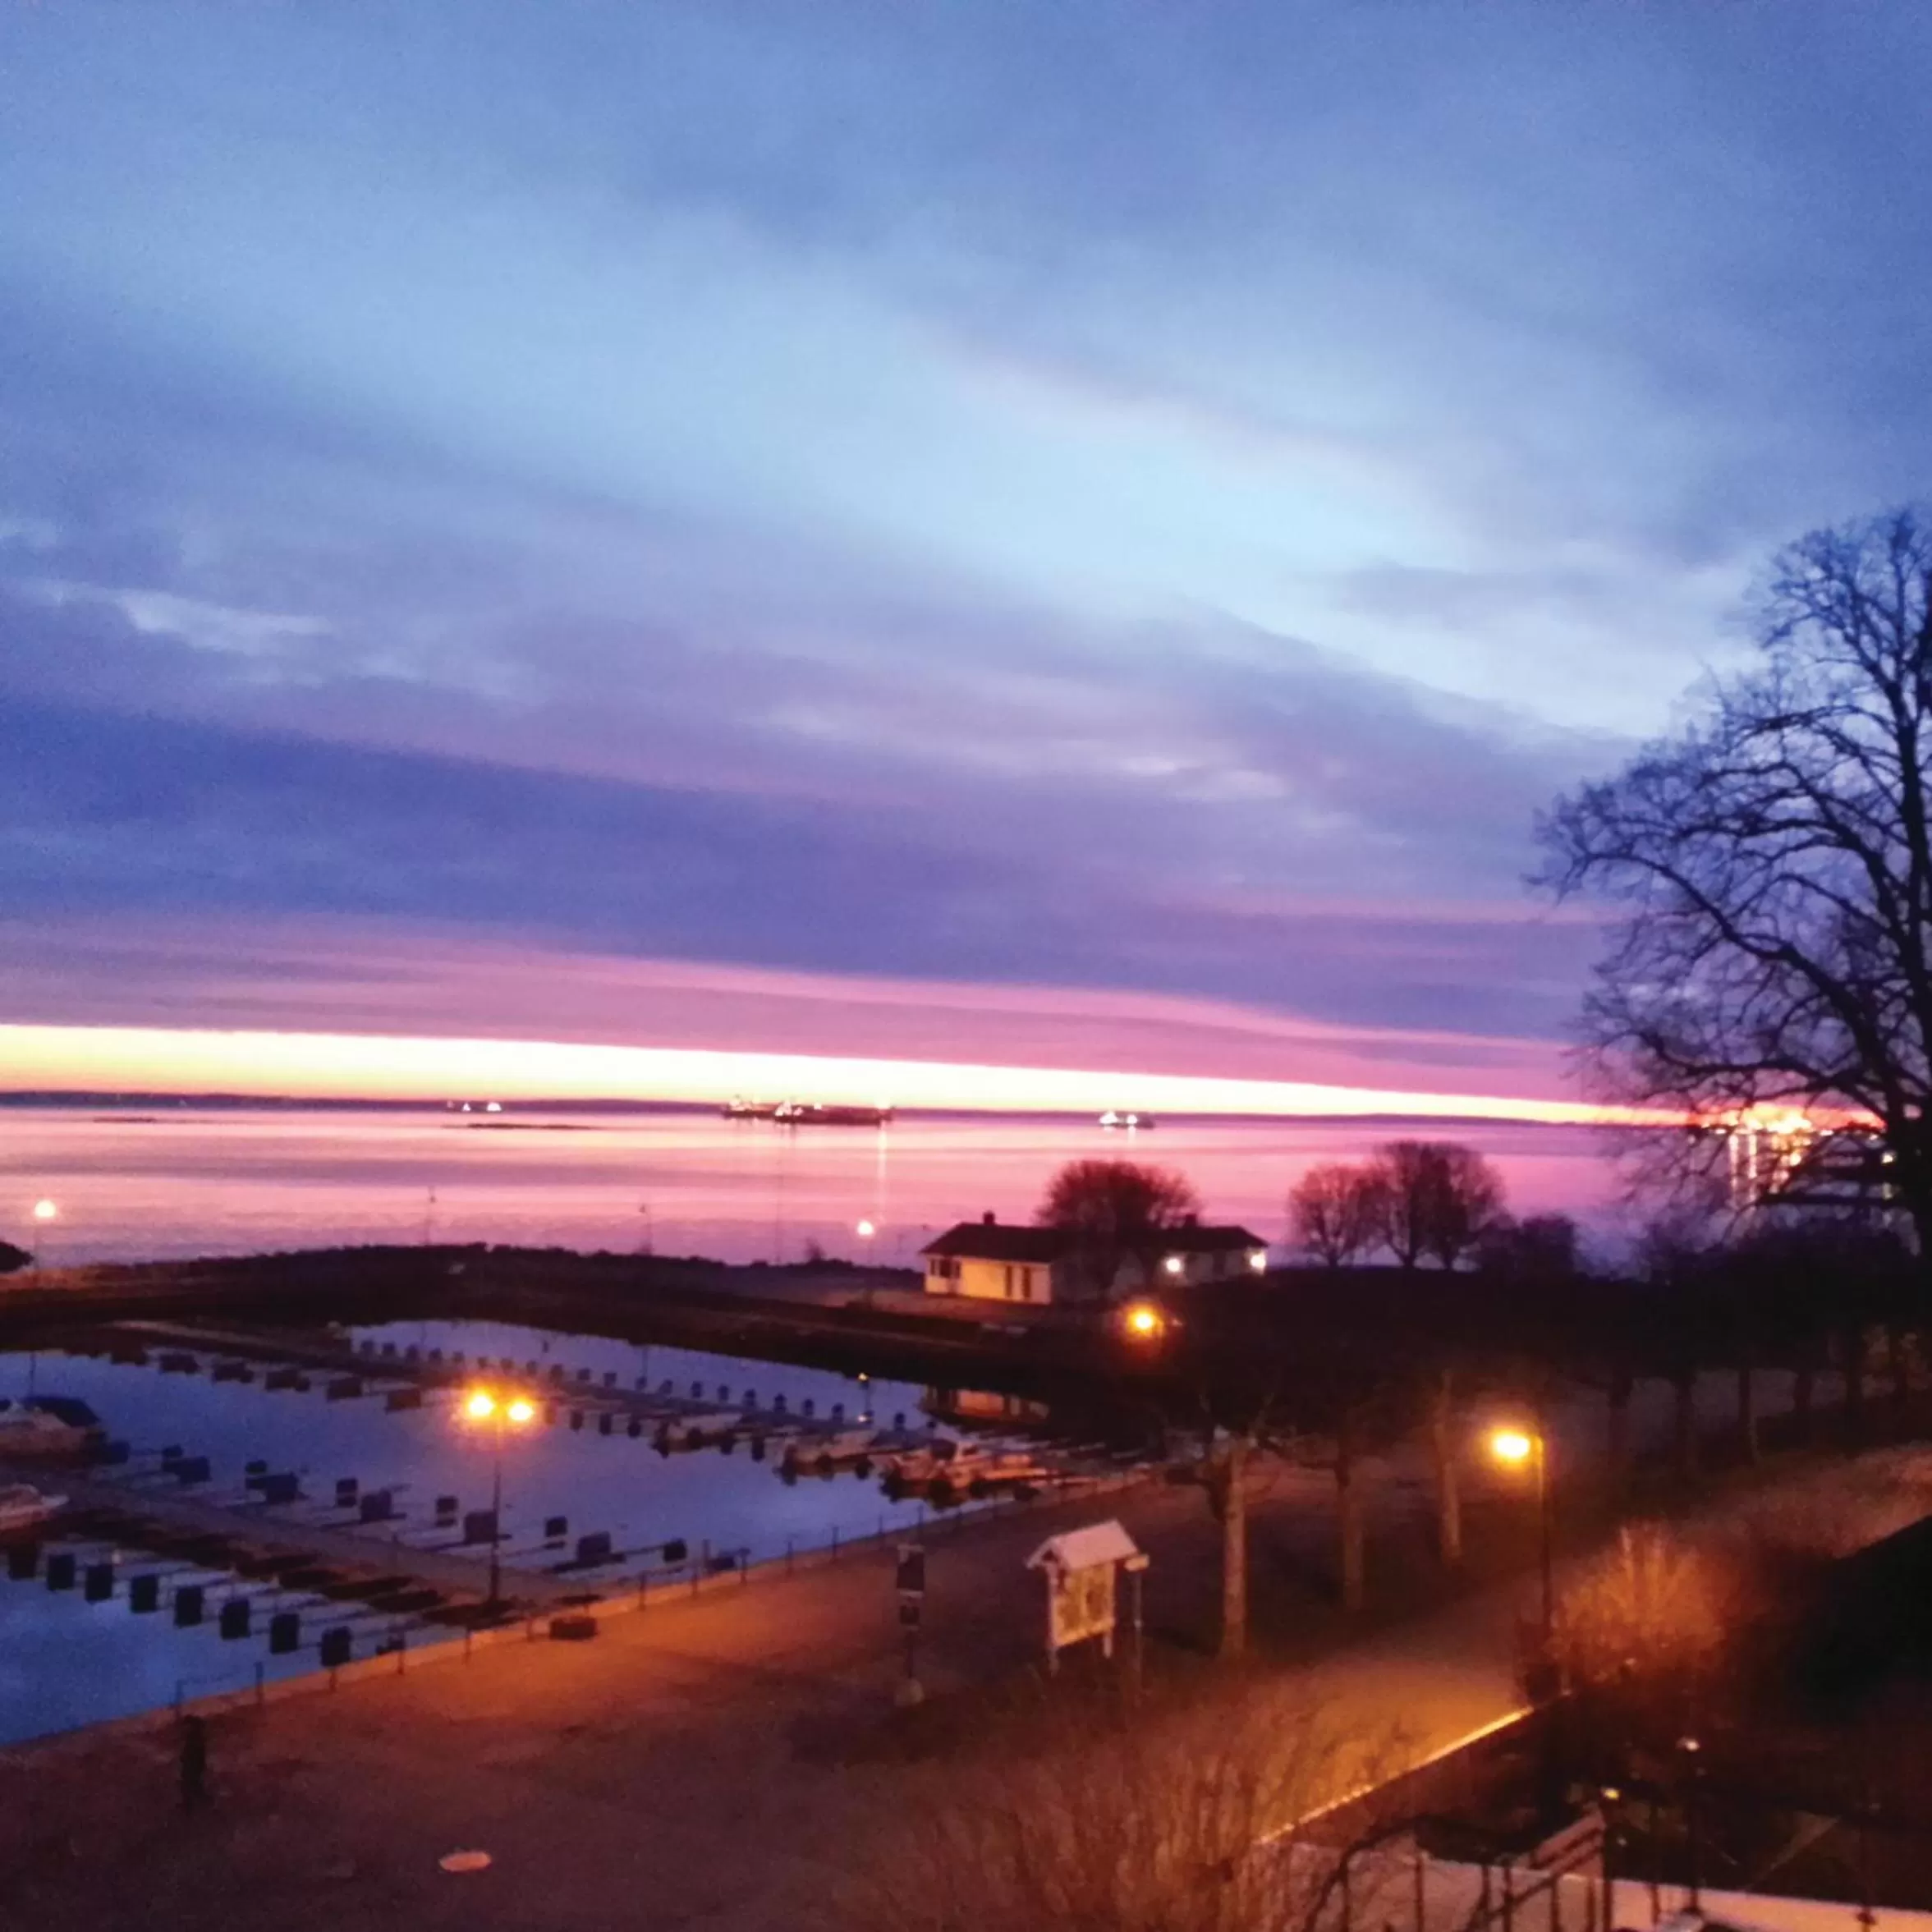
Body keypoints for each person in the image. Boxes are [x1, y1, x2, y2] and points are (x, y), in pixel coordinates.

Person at [179, 1714, 209, 1812]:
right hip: (193, 1766)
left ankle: (187, 1807)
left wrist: (185, 1761)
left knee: (188, 1785)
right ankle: (201, 1801)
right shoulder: (196, 1737)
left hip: (192, 1766)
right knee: (194, 1785)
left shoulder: (194, 1739)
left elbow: (192, 1754)